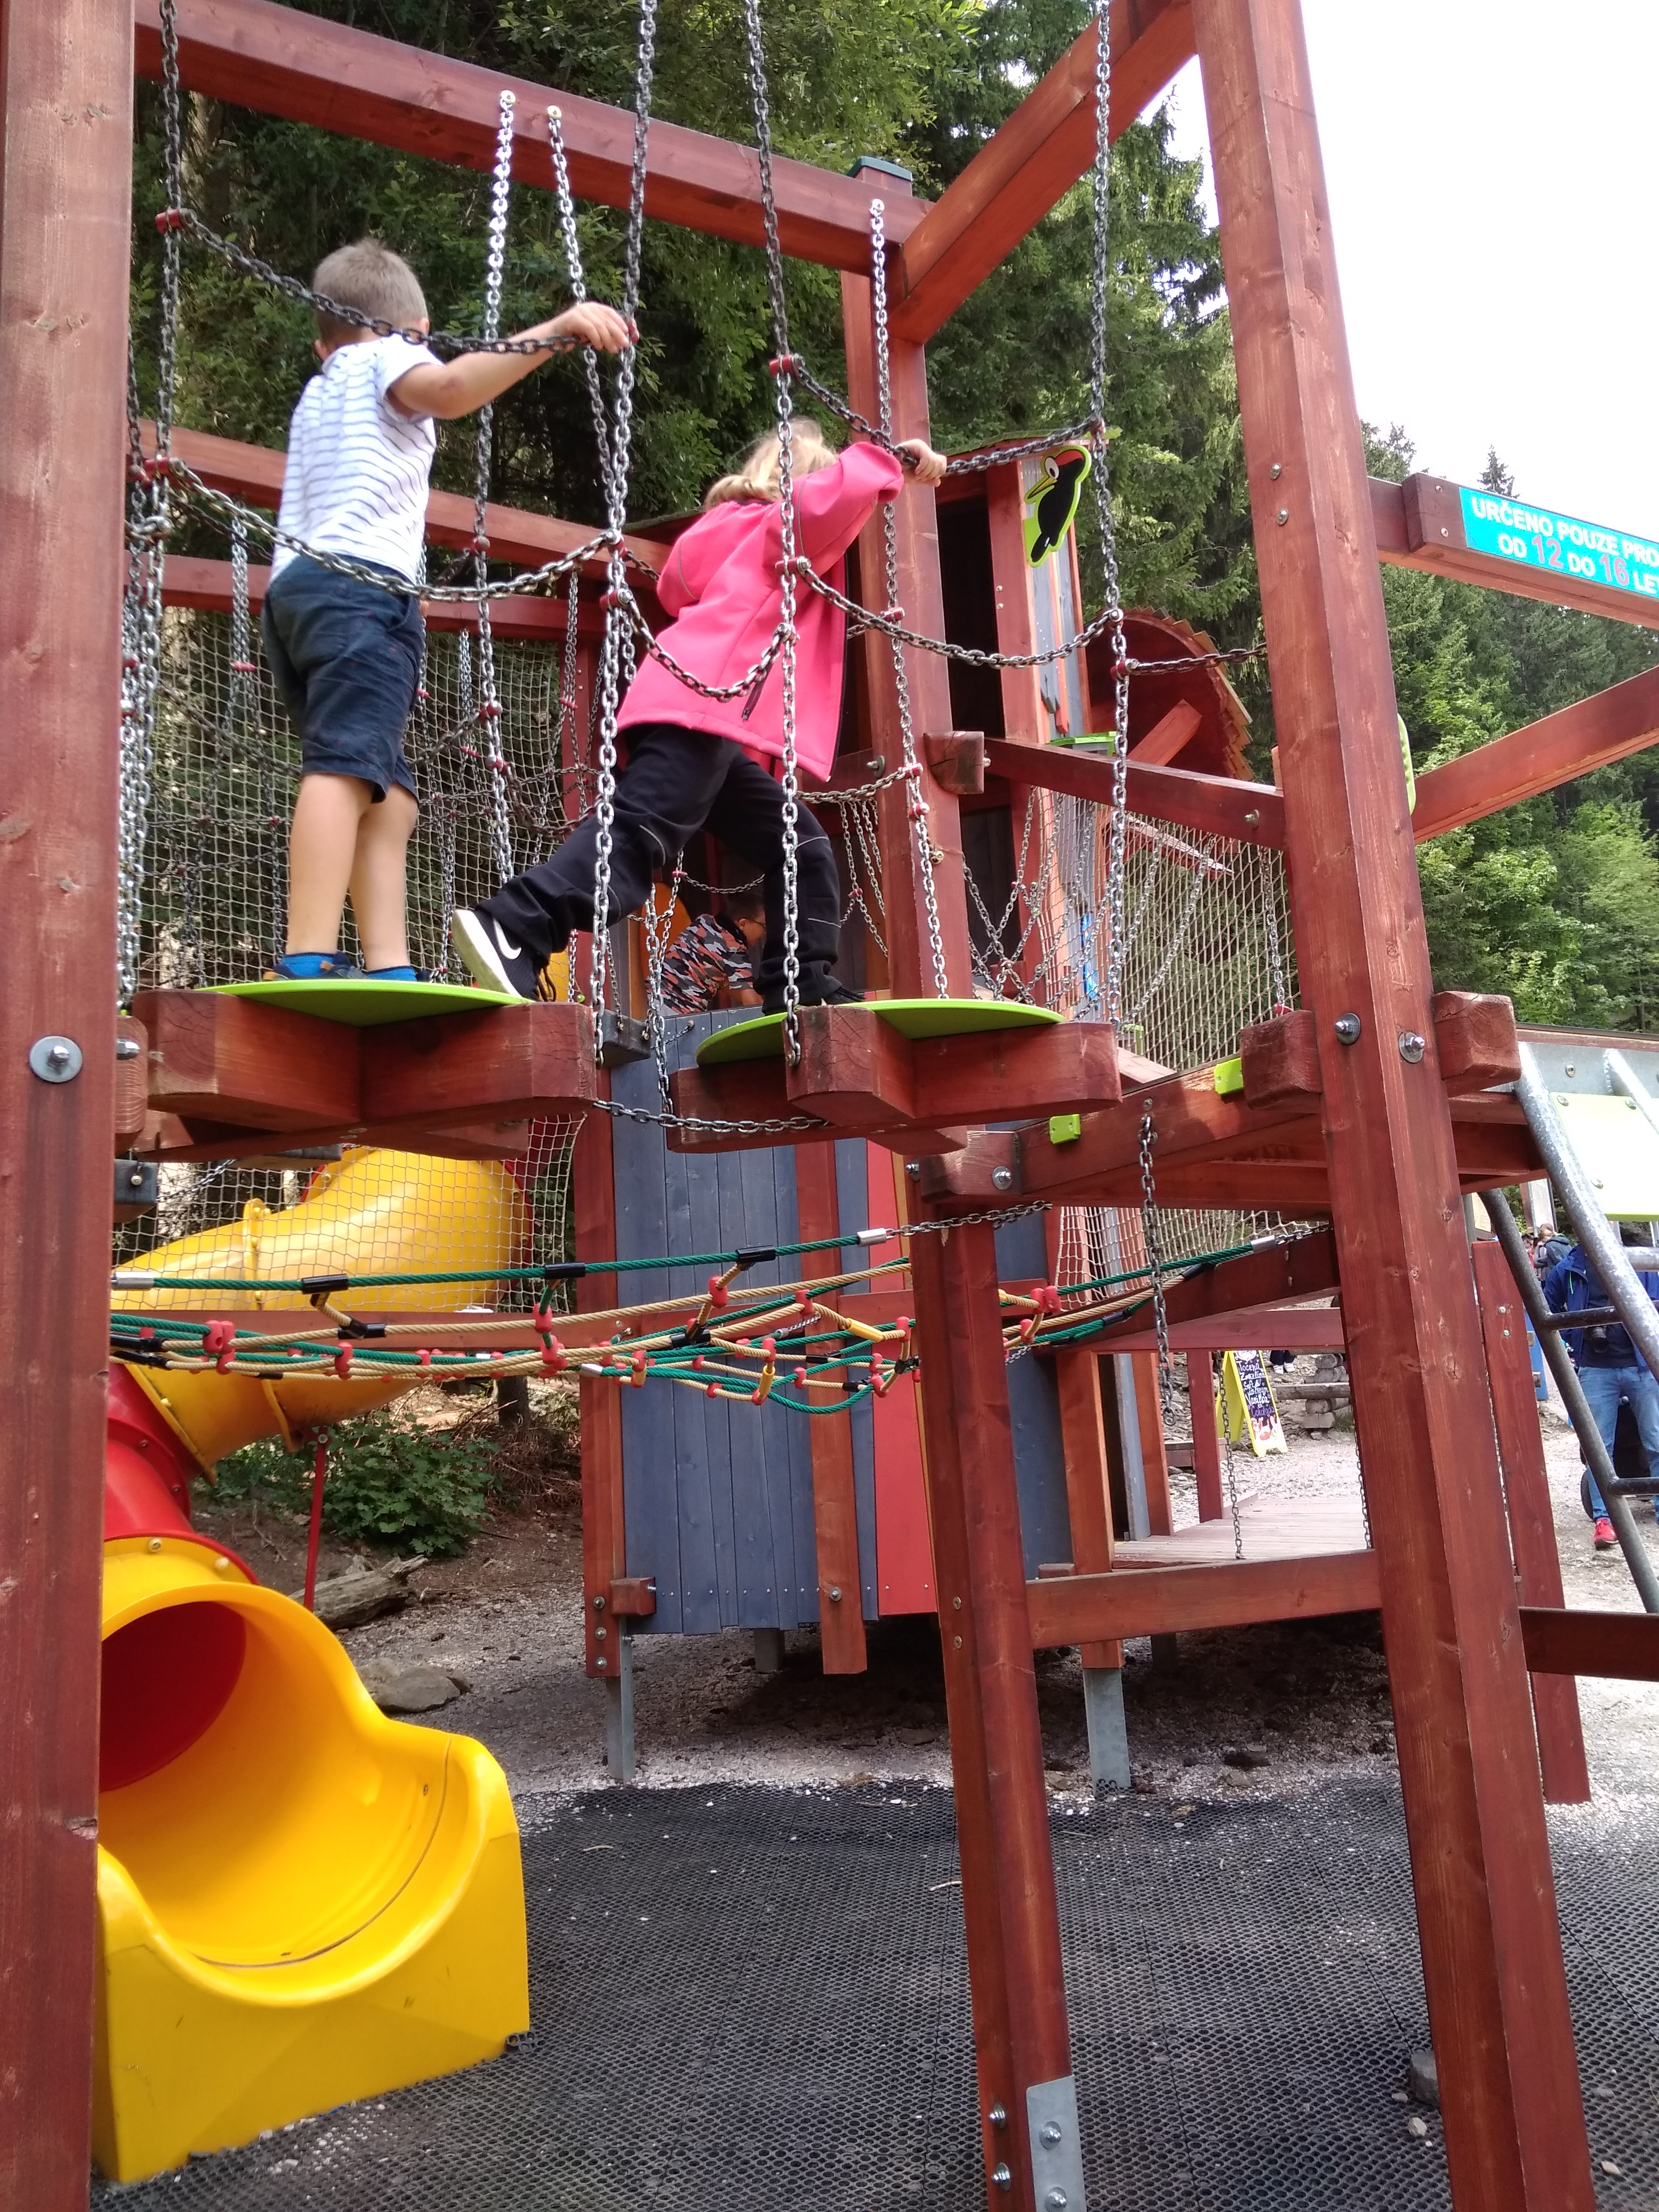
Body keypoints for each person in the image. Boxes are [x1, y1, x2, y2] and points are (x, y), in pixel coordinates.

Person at [451, 418, 948, 1010]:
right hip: (704, 702)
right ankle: (519, 921)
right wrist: (890, 461)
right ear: (807, 484)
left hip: (694, 705)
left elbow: (679, 589)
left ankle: (801, 984)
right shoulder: (784, 527)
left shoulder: (726, 533)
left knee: (800, 844)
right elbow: (831, 502)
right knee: (640, 832)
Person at [260, 237, 632, 982]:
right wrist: (557, 330)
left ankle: (389, 963)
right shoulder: (387, 354)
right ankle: (307, 953)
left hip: (297, 597)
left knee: (387, 793)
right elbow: (453, 390)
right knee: (343, 770)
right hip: (362, 589)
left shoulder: (319, 391)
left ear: (320, 343)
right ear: (419, 328)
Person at [1541, 1222, 1659, 1551]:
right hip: (1595, 1369)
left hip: (1641, 1365)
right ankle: (1604, 1519)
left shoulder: (1634, 1262)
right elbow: (1545, 1309)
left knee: (1656, 1439)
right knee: (1598, 1448)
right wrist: (1575, 1336)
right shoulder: (1568, 1268)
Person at [657, 891, 765, 1012]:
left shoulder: (704, 921)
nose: (764, 933)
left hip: (651, 998)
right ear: (743, 924)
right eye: (764, 926)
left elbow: (728, 985)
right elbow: (753, 1004)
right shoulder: (734, 952)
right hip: (676, 1011)